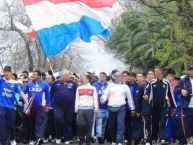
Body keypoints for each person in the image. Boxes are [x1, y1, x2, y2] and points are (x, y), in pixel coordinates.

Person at [144, 67, 177, 145]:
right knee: (154, 123)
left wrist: (174, 107)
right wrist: (145, 95)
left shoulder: (166, 82)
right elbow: (147, 91)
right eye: (154, 71)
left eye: (156, 71)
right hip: (153, 106)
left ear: (161, 72)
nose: (155, 73)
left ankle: (162, 139)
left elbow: (170, 94)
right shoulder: (151, 82)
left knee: (163, 122)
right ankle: (154, 138)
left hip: (164, 107)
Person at [101, 71, 135, 145]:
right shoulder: (110, 86)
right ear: (114, 77)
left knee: (121, 124)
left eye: (119, 76)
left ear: (121, 77)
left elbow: (129, 98)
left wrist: (132, 108)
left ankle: (119, 140)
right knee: (111, 125)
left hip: (121, 108)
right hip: (111, 107)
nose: (118, 78)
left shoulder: (125, 86)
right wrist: (103, 99)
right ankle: (114, 140)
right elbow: (105, 94)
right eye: (116, 76)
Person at [0, 66, 28, 145]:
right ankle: (3, 141)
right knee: (2, 126)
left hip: (11, 108)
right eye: (4, 74)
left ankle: (12, 138)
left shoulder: (15, 84)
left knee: (11, 126)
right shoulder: (1, 81)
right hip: (1, 107)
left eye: (7, 74)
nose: (6, 75)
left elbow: (21, 93)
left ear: (11, 73)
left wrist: (27, 102)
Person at [22, 70, 51, 145]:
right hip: (31, 107)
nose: (33, 76)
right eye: (32, 74)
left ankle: (39, 138)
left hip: (41, 107)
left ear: (39, 76)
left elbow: (48, 95)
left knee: (40, 122)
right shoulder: (28, 84)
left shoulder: (45, 84)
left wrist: (48, 105)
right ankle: (32, 139)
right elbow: (22, 93)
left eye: (35, 74)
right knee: (32, 123)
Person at [50, 70, 77, 144]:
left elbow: (76, 94)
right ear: (62, 76)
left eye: (69, 75)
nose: (69, 77)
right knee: (59, 120)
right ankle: (58, 136)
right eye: (67, 75)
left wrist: (75, 105)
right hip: (58, 106)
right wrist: (50, 104)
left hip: (70, 106)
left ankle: (67, 138)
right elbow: (51, 94)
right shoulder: (55, 83)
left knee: (68, 122)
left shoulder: (73, 83)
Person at [75, 75, 98, 145]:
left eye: (83, 78)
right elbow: (77, 98)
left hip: (90, 109)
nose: (82, 79)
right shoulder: (79, 88)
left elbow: (95, 98)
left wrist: (96, 108)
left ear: (88, 79)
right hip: (81, 108)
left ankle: (88, 140)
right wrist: (76, 107)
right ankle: (81, 139)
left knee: (89, 125)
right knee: (80, 125)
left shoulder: (93, 88)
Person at [174, 64, 193, 145]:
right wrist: (181, 90)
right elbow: (175, 90)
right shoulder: (183, 80)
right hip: (187, 107)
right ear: (188, 71)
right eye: (190, 69)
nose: (192, 71)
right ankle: (188, 141)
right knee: (186, 127)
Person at [93, 72, 109, 144]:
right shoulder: (95, 85)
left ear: (106, 77)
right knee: (99, 123)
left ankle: (101, 137)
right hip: (98, 107)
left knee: (103, 124)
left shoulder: (109, 85)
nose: (101, 77)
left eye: (103, 76)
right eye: (100, 76)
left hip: (107, 107)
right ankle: (98, 136)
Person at [44, 74, 55, 143]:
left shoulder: (55, 86)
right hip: (45, 107)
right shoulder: (44, 86)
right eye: (46, 78)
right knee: (46, 122)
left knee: (53, 122)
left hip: (54, 107)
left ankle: (53, 136)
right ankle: (46, 136)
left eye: (49, 78)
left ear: (52, 79)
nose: (47, 79)